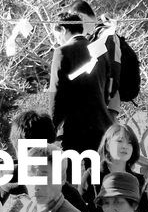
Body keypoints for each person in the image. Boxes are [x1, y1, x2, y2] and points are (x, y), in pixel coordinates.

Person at [47, 10, 113, 154]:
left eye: (56, 34)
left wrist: (52, 126)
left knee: (73, 174)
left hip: (76, 126)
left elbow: (57, 91)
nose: (56, 39)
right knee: (97, 173)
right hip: (102, 123)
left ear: (63, 30)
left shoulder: (62, 51)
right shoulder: (100, 50)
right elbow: (108, 88)